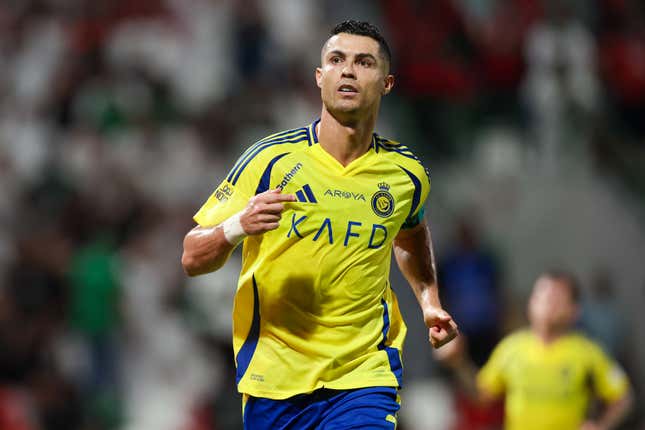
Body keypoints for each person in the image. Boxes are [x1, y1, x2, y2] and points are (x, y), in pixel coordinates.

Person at [181, 20, 458, 429]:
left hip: (364, 374)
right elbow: (191, 256)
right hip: (274, 377)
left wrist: (429, 301)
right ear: (319, 77)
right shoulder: (269, 160)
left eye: (364, 62)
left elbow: (410, 232)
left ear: (387, 83)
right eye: (336, 60)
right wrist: (239, 225)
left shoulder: (406, 174)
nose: (348, 70)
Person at [434, 270, 633, 430]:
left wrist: (601, 425)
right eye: (541, 294)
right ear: (531, 303)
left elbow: (623, 398)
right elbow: (481, 395)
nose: (546, 302)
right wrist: (458, 362)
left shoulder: (588, 352)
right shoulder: (511, 348)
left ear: (573, 311)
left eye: (556, 297)